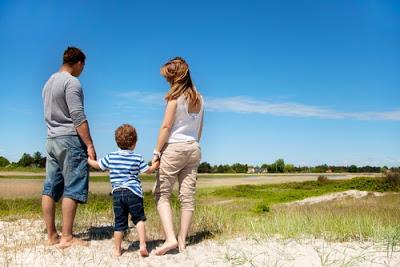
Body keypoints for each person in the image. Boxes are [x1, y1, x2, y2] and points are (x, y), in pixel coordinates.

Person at [42, 46, 96, 248]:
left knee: (50, 188)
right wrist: (89, 144)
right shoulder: (72, 82)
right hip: (70, 139)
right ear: (79, 63)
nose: (83, 70)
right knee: (72, 187)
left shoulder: (48, 82)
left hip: (51, 139)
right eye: (84, 66)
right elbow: (78, 116)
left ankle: (51, 235)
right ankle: (67, 236)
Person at [152, 57, 204, 255]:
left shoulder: (175, 98)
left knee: (162, 193)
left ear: (176, 77)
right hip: (194, 147)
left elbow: (166, 127)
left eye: (168, 77)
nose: (167, 81)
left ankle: (171, 238)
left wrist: (156, 152)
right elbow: (199, 129)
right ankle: (182, 239)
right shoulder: (200, 98)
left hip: (174, 148)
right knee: (187, 196)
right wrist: (193, 144)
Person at [88, 124, 159, 257]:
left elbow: (98, 165)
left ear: (117, 141)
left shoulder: (111, 156)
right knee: (139, 219)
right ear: (134, 143)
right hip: (134, 193)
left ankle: (117, 250)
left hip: (117, 194)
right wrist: (155, 164)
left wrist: (89, 160)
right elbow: (148, 171)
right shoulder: (137, 157)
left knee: (119, 223)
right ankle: (143, 245)